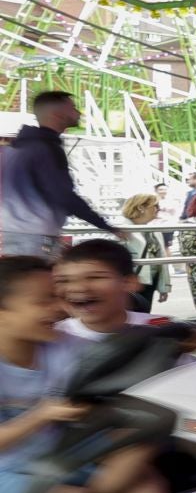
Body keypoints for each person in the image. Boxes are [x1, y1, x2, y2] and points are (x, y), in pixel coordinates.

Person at [0, 256, 162, 493]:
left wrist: (172, 348)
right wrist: (41, 415)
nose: (60, 309)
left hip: (58, 453)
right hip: (7, 470)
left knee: (142, 467)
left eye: (57, 298)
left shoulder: (64, 344)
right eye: (44, 301)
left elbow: (118, 362)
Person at [0, 90, 121, 257]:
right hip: (36, 237)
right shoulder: (45, 149)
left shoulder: (16, 149)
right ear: (57, 115)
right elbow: (62, 194)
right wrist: (107, 226)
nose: (78, 112)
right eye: (73, 108)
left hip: (13, 234)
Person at [54, 239, 154, 340]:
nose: (77, 288)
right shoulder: (53, 336)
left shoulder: (159, 325)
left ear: (129, 282)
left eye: (94, 277)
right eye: (64, 280)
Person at [118, 194, 169, 311]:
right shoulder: (121, 228)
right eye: (155, 205)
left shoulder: (154, 231)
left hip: (149, 282)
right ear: (141, 207)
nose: (158, 209)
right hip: (130, 283)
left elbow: (162, 261)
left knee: (143, 315)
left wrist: (163, 287)